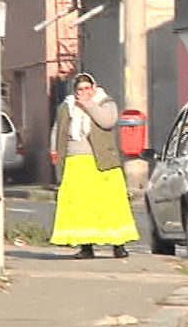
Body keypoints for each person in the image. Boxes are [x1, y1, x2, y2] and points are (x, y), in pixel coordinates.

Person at [50, 72, 140, 259]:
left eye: (87, 88)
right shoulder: (67, 107)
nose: (84, 92)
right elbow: (57, 129)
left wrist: (88, 105)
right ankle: (86, 247)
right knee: (81, 206)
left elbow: (107, 121)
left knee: (110, 203)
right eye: (80, 89)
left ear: (94, 87)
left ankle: (118, 245)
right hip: (76, 161)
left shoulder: (105, 102)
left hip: (102, 161)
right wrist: (54, 151)